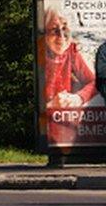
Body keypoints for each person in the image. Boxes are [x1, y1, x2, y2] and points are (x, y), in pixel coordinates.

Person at [42, 8, 97, 146]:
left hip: (65, 125)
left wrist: (78, 97)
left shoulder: (71, 51)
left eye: (65, 28)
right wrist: (50, 105)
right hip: (48, 124)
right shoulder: (40, 53)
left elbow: (95, 82)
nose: (61, 36)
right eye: (54, 30)